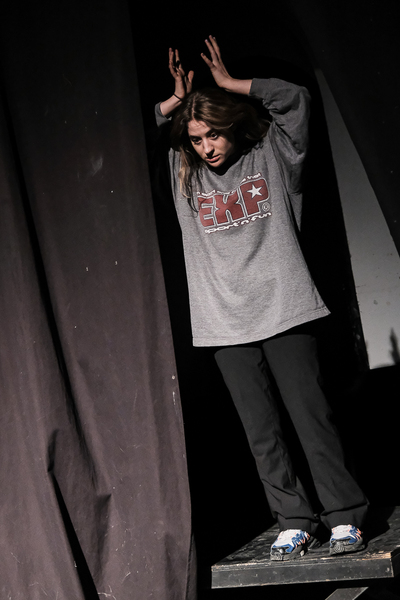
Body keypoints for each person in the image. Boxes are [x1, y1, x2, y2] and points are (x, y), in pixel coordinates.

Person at [155, 36, 368, 560]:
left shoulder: (272, 155)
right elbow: (148, 131)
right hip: (224, 320)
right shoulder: (186, 175)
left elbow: (295, 100)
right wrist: (176, 102)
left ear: (231, 125)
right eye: (196, 138)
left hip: (285, 307)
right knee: (262, 433)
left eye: (213, 134)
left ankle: (344, 515)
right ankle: (294, 519)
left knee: (312, 418)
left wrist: (232, 84)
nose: (206, 147)